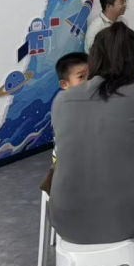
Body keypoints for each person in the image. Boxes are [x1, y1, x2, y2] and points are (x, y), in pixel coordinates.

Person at [49, 23, 134, 266]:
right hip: (125, 215)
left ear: (95, 58)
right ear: (133, 59)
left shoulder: (62, 100)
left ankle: (128, 265)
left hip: (65, 217)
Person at [39, 53, 89, 196]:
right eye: (81, 77)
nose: (88, 81)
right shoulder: (65, 104)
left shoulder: (90, 100)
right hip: (70, 163)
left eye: (91, 76)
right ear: (64, 84)